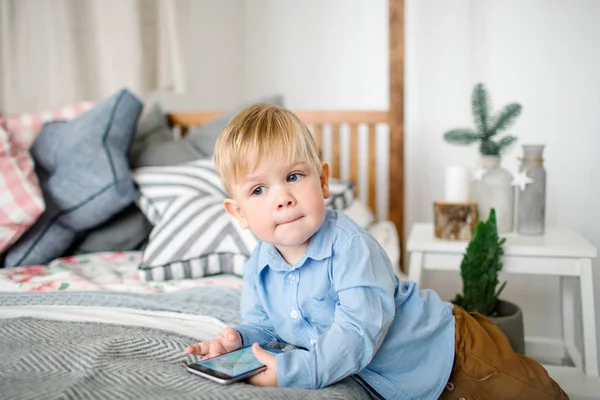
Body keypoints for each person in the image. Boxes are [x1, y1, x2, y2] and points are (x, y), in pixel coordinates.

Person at [185, 103, 568, 399]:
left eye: (293, 177)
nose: (282, 198)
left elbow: (357, 331)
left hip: (455, 355)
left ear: (322, 182)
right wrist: (238, 339)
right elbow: (271, 326)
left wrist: (292, 371)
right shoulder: (259, 269)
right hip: (403, 381)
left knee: (535, 393)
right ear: (238, 213)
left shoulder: (350, 246)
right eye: (258, 190)